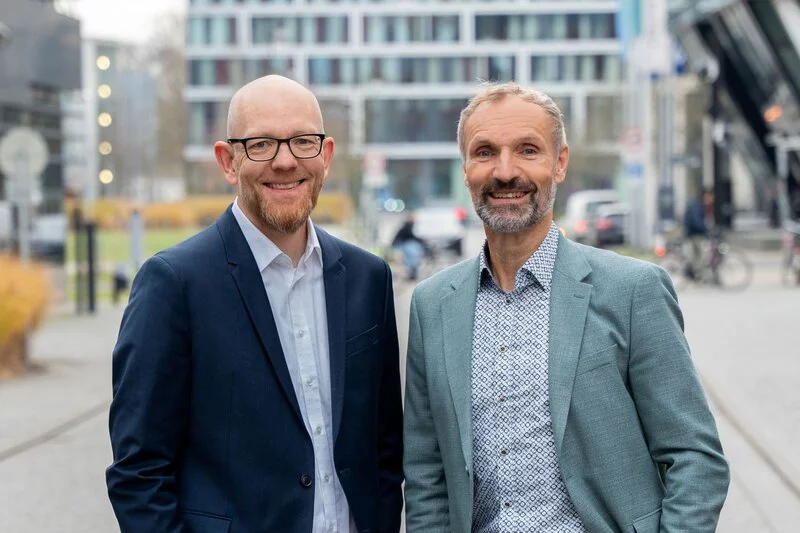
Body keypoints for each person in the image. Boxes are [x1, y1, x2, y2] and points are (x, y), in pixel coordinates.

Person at [403, 82, 729, 532]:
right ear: (465, 168)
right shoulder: (433, 305)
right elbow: (426, 472)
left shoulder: (633, 290)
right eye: (484, 152)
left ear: (559, 163)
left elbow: (694, 457)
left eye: (528, 150)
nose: (505, 171)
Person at [106, 75, 404, 533]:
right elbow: (139, 472)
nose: (285, 161)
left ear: (325, 155)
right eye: (262, 144)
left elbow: (384, 451)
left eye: (303, 141)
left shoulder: (369, 278)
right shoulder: (174, 284)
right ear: (228, 161)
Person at [684, 188, 713, 279]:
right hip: (696, 234)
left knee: (697, 256)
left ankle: (695, 274)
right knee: (702, 256)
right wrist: (705, 230)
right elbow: (696, 221)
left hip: (693, 234)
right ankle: (695, 274)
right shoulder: (698, 206)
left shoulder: (697, 204)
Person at [391, 214, 426, 280]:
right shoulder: (407, 226)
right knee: (412, 254)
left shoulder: (407, 226)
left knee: (413, 252)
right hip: (400, 243)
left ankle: (413, 270)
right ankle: (412, 270)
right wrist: (421, 240)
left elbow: (411, 237)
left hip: (401, 243)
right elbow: (411, 236)